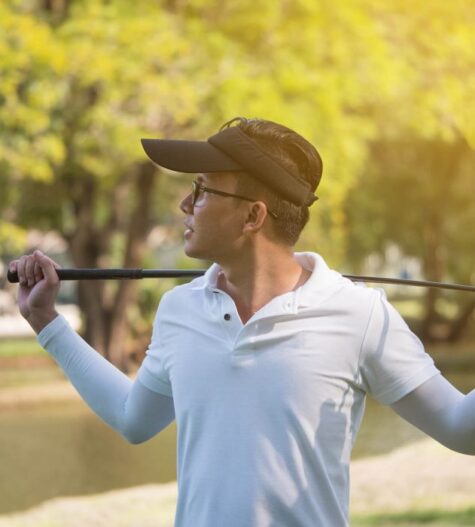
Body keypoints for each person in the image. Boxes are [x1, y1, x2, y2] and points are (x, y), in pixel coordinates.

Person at [10, 117, 475, 527]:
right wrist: (47, 323)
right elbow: (135, 420)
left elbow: (460, 428)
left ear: (253, 215)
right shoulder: (179, 310)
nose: (184, 207)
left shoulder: (359, 314)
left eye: (201, 190)